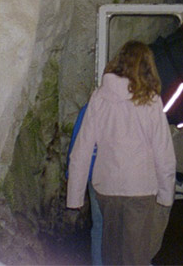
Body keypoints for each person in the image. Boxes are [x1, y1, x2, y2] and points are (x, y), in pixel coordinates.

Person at [66, 41, 176, 265]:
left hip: (106, 189)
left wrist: (74, 199)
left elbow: (82, 151)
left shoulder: (99, 98)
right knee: (138, 256)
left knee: (111, 257)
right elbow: (163, 154)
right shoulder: (151, 101)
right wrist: (166, 196)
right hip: (141, 191)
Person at [66, 103, 103, 265]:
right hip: (121, 177)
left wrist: (73, 178)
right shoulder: (135, 104)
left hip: (94, 175)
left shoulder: (90, 107)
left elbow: (77, 146)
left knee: (99, 226)